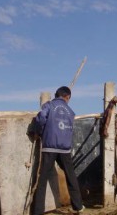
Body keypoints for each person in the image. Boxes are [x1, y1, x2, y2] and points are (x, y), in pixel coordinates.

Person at [32, 86, 84, 214]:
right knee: (71, 176)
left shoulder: (48, 105)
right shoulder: (70, 111)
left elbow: (41, 118)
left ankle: (38, 211)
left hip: (49, 147)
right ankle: (78, 206)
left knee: (42, 178)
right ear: (67, 97)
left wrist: (37, 132)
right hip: (65, 149)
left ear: (56, 95)